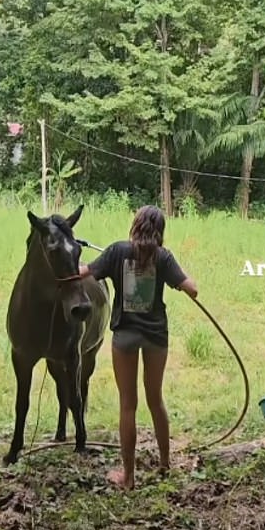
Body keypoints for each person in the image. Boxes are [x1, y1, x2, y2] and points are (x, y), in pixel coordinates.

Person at [79, 204, 198, 491]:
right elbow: (192, 289)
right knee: (155, 399)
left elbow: (83, 273)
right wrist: (181, 283)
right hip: (156, 336)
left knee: (127, 404)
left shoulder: (117, 252)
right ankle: (165, 464)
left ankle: (129, 477)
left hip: (126, 336)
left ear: (135, 225)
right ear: (160, 231)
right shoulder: (163, 257)